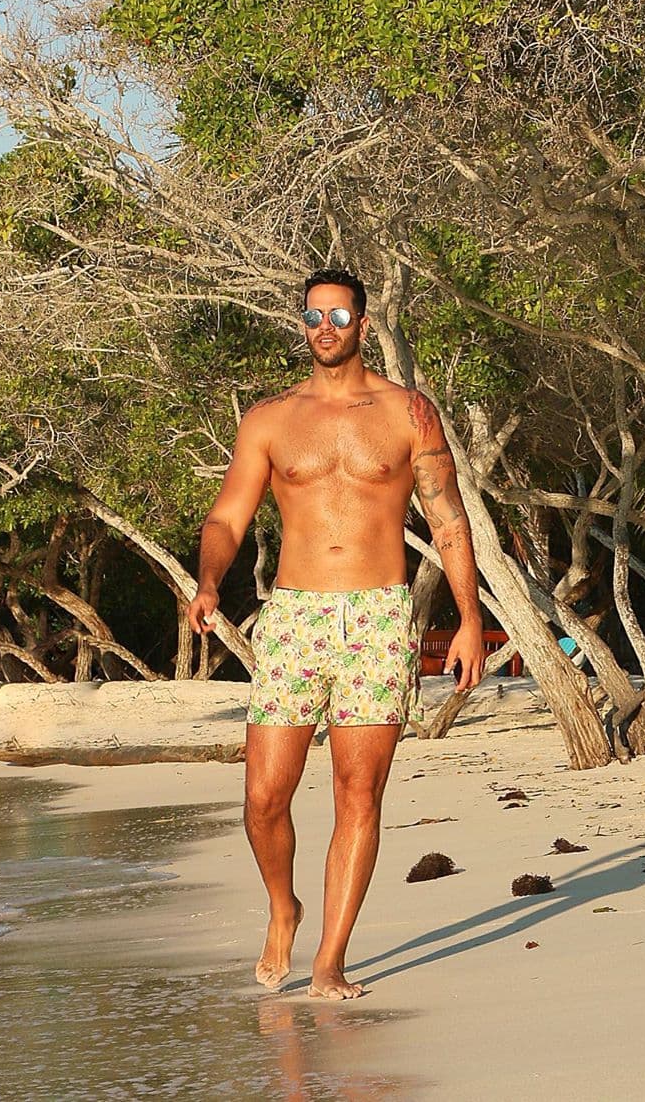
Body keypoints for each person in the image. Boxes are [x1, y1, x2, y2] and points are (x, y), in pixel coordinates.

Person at [187, 268, 485, 999]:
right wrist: (209, 580)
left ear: (362, 323)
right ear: (304, 325)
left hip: (380, 617)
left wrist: (470, 619)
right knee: (264, 798)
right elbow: (227, 516)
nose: (326, 327)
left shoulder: (409, 413)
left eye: (340, 316)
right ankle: (282, 907)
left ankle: (330, 961)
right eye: (314, 316)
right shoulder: (269, 419)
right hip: (295, 616)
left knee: (359, 794)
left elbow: (448, 518)